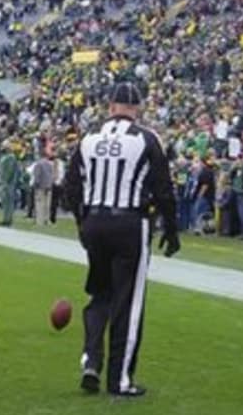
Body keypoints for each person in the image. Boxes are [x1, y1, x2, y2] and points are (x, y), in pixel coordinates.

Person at [62, 82, 179, 398]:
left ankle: (91, 359)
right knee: (128, 301)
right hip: (129, 222)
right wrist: (171, 228)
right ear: (137, 108)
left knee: (100, 295)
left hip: (95, 220)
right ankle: (120, 379)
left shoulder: (88, 138)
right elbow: (164, 189)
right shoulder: (146, 138)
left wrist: (82, 221)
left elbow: (71, 185)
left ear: (110, 106)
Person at [0, 142, 19, 226]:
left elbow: (9, 171)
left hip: (7, 184)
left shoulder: (11, 158)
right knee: (5, 202)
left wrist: (5, 181)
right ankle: (5, 218)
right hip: (4, 182)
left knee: (8, 201)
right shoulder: (5, 157)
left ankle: (8, 219)